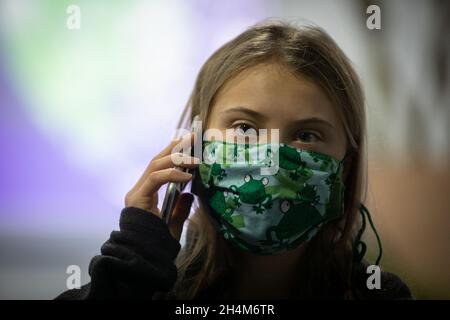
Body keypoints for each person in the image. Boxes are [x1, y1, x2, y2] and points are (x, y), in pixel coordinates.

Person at [56, 20, 413, 300]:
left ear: (345, 166)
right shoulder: (149, 289)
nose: (272, 158)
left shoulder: (382, 295)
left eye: (306, 135)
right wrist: (135, 263)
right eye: (245, 127)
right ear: (194, 146)